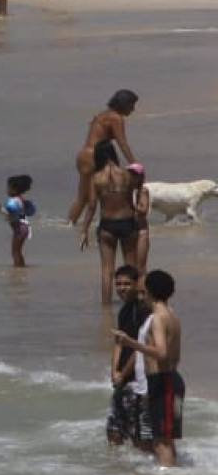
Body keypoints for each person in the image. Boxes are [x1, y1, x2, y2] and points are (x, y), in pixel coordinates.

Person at [113, 270, 183, 467]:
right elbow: (175, 357)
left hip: (163, 382)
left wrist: (130, 343)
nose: (141, 296)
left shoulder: (158, 318)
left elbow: (161, 352)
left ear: (151, 292)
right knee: (164, 439)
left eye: (144, 292)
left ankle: (166, 472)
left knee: (161, 442)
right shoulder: (171, 316)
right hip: (165, 380)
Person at [80, 138, 141, 305]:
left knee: (107, 271)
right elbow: (131, 201)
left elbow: (92, 206)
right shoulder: (127, 174)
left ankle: (106, 309)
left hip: (107, 224)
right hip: (127, 222)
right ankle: (133, 304)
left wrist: (84, 229)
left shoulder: (96, 178)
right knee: (131, 268)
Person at [65, 89, 139, 224]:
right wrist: (135, 164)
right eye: (131, 105)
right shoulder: (116, 117)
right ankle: (116, 220)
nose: (133, 109)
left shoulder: (105, 115)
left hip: (85, 155)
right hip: (94, 156)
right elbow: (122, 143)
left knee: (83, 197)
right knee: (113, 190)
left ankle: (70, 225)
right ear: (123, 104)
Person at [107, 264, 149, 452]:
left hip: (137, 382)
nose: (122, 288)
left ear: (137, 284)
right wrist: (114, 370)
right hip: (121, 380)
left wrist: (123, 374)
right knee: (114, 432)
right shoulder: (124, 310)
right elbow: (119, 342)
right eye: (118, 284)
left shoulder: (143, 310)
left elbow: (140, 348)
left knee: (139, 438)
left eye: (126, 284)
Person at [0, 173, 34, 268]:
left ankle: (18, 268)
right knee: (18, 250)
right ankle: (21, 266)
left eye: (8, 188)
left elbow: (12, 214)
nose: (7, 190)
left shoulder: (13, 201)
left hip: (19, 228)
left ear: (14, 189)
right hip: (24, 227)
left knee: (15, 251)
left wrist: (2, 210)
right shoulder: (20, 199)